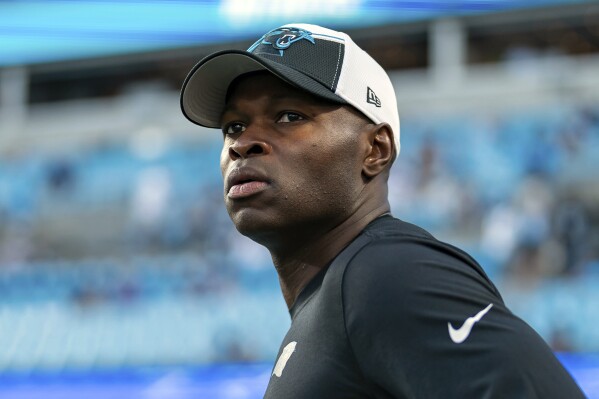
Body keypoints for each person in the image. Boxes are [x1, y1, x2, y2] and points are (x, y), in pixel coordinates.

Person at [180, 23, 585, 398]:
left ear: (375, 150)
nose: (243, 143)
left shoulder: (386, 273)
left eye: (289, 116)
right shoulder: (341, 293)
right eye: (233, 126)